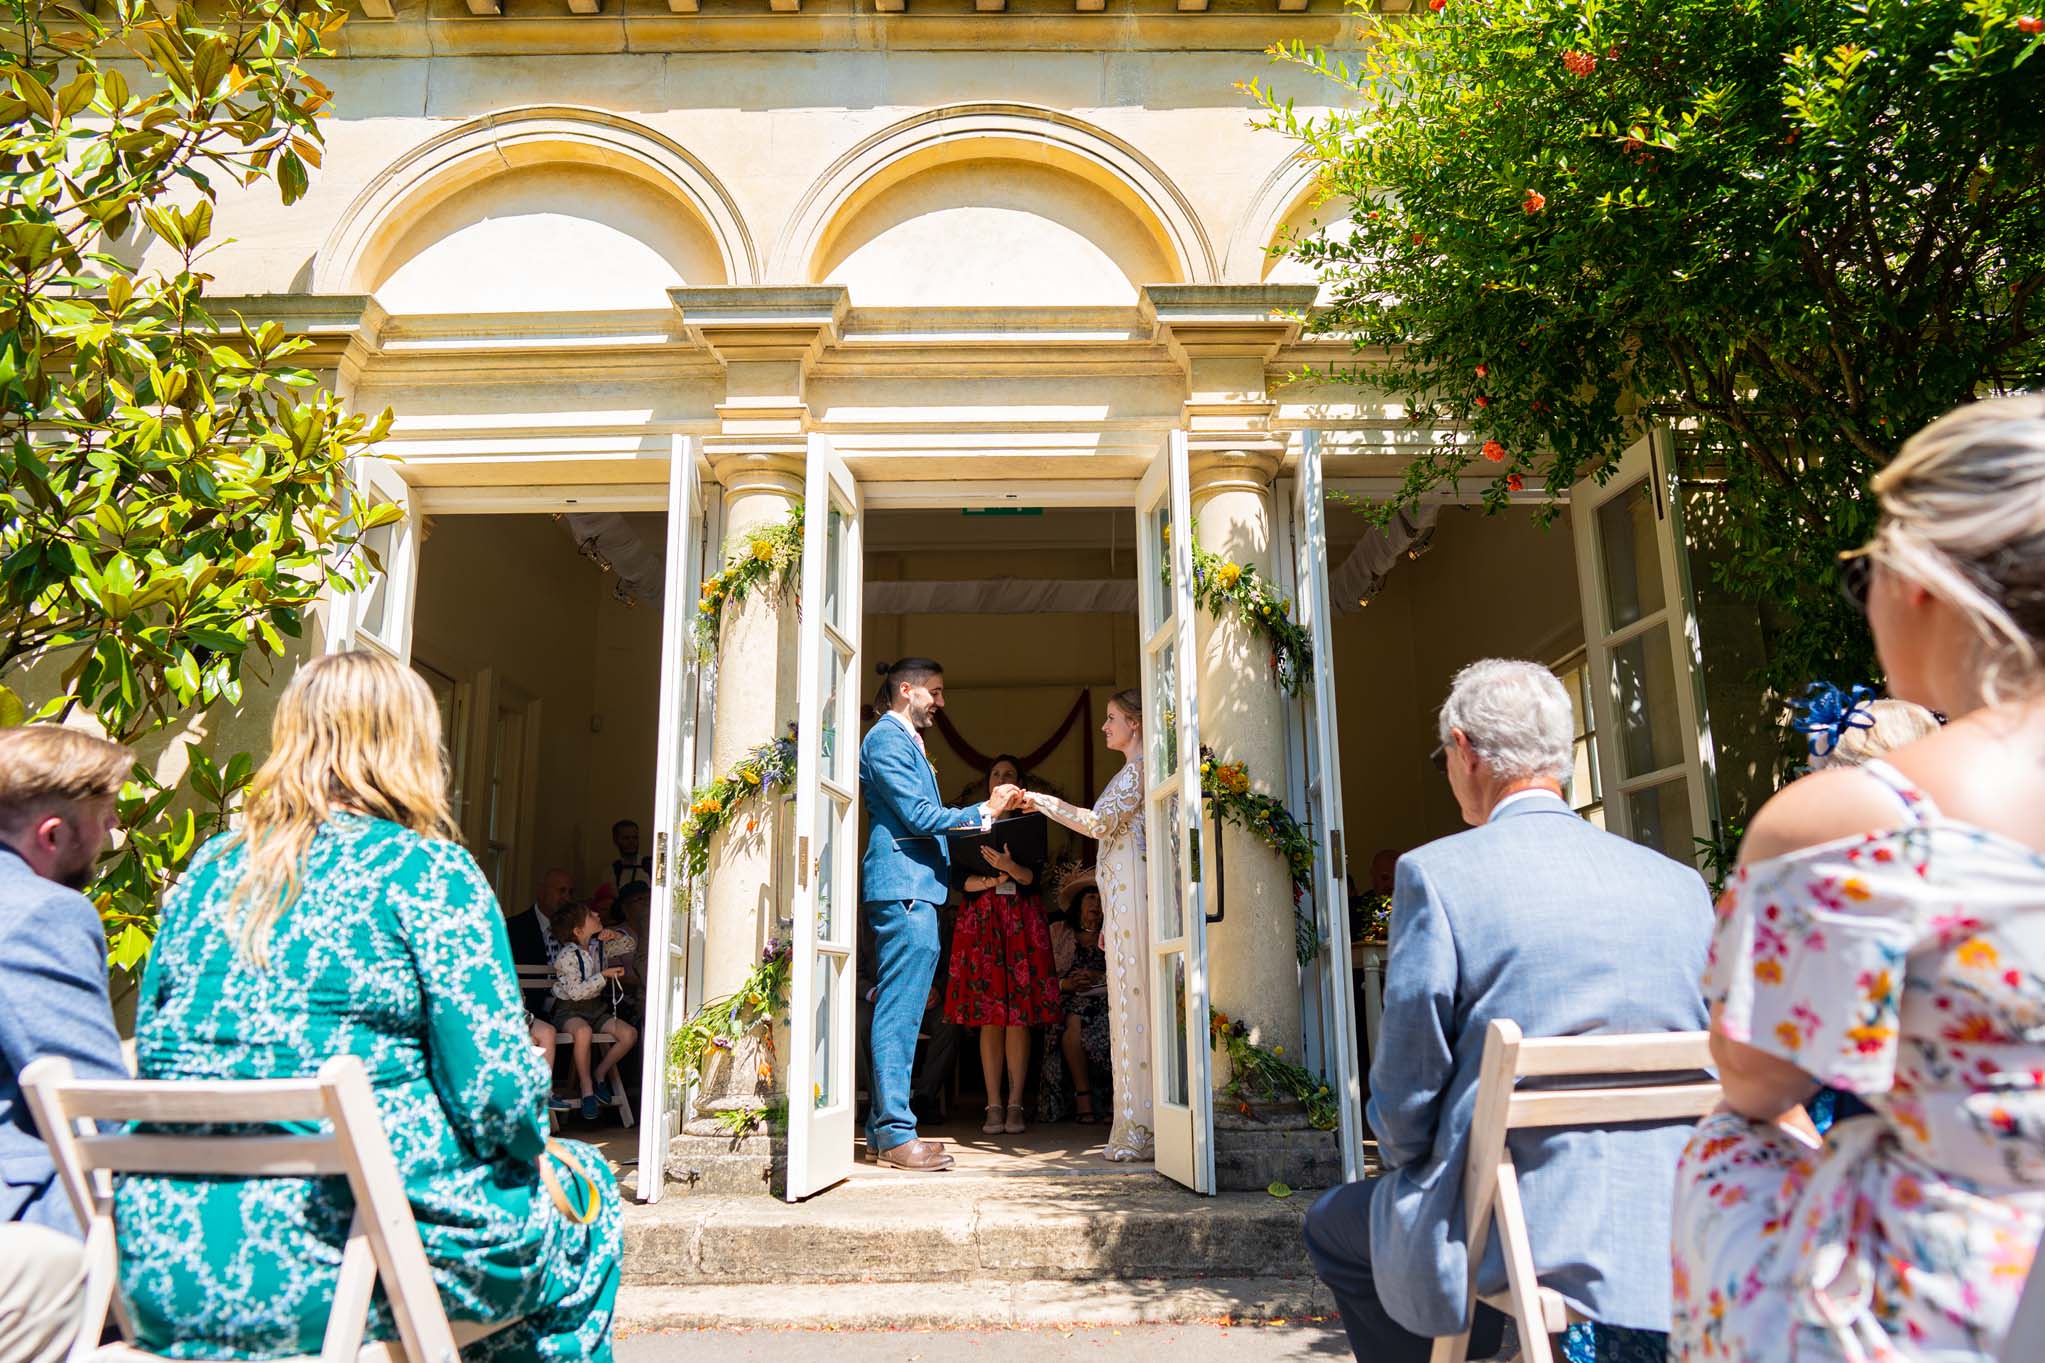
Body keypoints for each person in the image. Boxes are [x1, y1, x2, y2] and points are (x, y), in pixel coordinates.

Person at [1671, 396, 2045, 1362]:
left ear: (1917, 577)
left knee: (1725, 1143)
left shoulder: (1854, 815)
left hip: (1966, 1297)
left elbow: (1755, 1078)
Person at [116, 651, 619, 1359]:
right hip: (347, 1261)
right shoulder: (427, 871)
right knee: (587, 1195)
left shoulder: (209, 871)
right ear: (411, 746)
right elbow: (499, 1096)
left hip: (167, 1264)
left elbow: (157, 1040)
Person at [1302, 659, 1712, 1363]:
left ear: (1465, 751)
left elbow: (1403, 1104)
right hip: (1681, 1221)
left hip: (1523, 1226)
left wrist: (1413, 1162)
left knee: (1332, 1223)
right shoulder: (1679, 885)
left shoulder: (1436, 874)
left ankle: (1467, 1338)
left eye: (1444, 758)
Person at [859, 657, 1026, 1171]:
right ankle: (893, 1134)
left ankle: (885, 1130)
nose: (941, 701)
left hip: (917, 887)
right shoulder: (887, 739)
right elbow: (918, 817)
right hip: (903, 887)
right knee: (901, 1012)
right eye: (935, 691)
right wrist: (987, 812)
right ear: (905, 690)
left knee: (905, 1011)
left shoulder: (907, 738)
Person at [0, 725, 133, 1363]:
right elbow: (98, 1108)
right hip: (29, 1234)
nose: (111, 837)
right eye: (104, 820)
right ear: (52, 835)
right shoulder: (43, 912)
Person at [1023, 689, 1153, 1161]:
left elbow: (1099, 826)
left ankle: (1142, 1126)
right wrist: (1111, 917)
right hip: (1124, 904)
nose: (1105, 726)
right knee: (1128, 1010)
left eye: (1112, 718)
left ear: (1135, 723)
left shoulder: (1139, 772)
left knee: (1135, 1012)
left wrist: (1042, 803)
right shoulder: (1132, 773)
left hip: (1134, 900)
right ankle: (1138, 1122)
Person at [945, 755, 1061, 1137]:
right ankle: (993, 1103)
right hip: (982, 924)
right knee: (990, 1017)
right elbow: (958, 879)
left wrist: (1009, 869)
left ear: (1020, 784)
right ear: (988, 785)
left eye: (1010, 774)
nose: (1003, 779)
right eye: (997, 774)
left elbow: (1034, 879)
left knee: (1019, 1017)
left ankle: (1015, 1104)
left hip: (1020, 924)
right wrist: (991, 880)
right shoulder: (969, 822)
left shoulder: (1032, 824)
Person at [550, 899, 639, 1122]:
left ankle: (600, 1073)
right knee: (583, 1032)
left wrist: (616, 936)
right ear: (578, 930)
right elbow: (576, 992)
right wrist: (603, 976)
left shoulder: (599, 946)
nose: (598, 915)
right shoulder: (567, 956)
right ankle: (586, 1086)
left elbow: (630, 945)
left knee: (629, 1034)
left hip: (595, 1009)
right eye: (591, 915)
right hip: (570, 1011)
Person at [1037, 877, 1110, 1127]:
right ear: (1078, 904)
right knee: (1075, 1016)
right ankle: (1084, 1096)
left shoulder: (1114, 934)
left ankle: (1101, 1099)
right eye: (1091, 898)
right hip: (1065, 999)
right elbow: (1038, 974)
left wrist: (1099, 976)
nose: (1096, 904)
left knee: (1101, 1019)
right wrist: (1065, 984)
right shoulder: (1059, 932)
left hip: (1106, 1000)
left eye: (1101, 900)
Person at [609, 818, 651, 891]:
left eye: (635, 837)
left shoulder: (650, 866)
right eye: (626, 838)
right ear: (616, 840)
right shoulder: (611, 872)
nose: (631, 842)